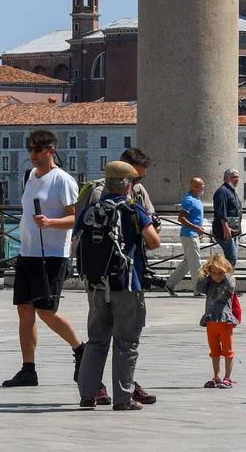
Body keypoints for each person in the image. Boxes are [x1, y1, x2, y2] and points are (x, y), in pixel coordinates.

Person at [74, 160, 162, 410]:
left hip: (96, 285)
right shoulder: (133, 210)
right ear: (127, 186)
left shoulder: (91, 209)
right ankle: (123, 398)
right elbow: (154, 242)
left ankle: (87, 395)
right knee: (126, 343)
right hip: (127, 283)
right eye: (134, 183)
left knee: (96, 341)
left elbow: (76, 241)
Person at [3, 129, 85, 388]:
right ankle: (28, 369)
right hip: (27, 254)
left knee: (45, 311)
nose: (33, 154)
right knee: (25, 311)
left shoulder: (63, 180)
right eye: (30, 149)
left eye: (38, 149)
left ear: (51, 151)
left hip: (51, 256)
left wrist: (50, 222)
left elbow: (75, 218)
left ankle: (81, 349)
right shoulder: (30, 177)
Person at [196, 252, 238, 389]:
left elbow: (231, 286)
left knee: (227, 351)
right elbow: (199, 288)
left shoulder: (228, 282)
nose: (217, 276)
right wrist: (207, 275)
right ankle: (216, 376)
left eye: (220, 272)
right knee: (214, 351)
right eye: (214, 272)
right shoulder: (209, 283)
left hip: (225, 321)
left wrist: (225, 273)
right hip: (211, 321)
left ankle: (228, 377)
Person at [166, 177, 207, 296]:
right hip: (189, 235)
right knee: (195, 262)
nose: (203, 188)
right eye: (201, 186)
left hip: (192, 234)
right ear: (195, 187)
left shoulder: (196, 198)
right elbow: (181, 218)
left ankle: (169, 284)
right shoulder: (189, 200)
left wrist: (198, 229)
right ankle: (198, 290)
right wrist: (197, 228)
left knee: (187, 263)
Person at [212, 169, 243, 267]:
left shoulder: (232, 191)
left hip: (233, 231)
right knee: (231, 258)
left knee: (231, 259)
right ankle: (222, 280)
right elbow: (221, 211)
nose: (237, 179)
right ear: (227, 178)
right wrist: (225, 228)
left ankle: (224, 279)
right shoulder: (222, 191)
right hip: (225, 231)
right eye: (234, 177)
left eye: (238, 177)